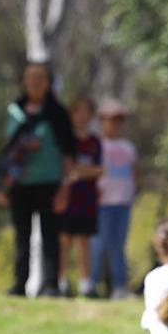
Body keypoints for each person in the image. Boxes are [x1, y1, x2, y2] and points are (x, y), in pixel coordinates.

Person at [0, 62, 75, 297]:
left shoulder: (58, 114)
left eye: (40, 78)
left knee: (51, 236)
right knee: (22, 236)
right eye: (30, 78)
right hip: (19, 185)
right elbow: (6, 150)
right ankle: (20, 283)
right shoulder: (14, 111)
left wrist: (65, 188)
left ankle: (50, 284)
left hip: (50, 183)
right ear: (23, 82)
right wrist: (2, 185)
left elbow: (69, 154)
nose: (35, 83)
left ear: (48, 83)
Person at [90, 99, 138, 300]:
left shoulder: (128, 147)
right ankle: (91, 286)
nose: (114, 124)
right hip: (102, 205)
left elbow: (135, 172)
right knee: (98, 246)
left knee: (118, 247)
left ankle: (119, 287)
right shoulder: (95, 144)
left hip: (123, 204)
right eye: (109, 119)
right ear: (101, 121)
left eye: (118, 120)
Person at [57, 96, 103, 297]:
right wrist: (81, 171)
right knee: (64, 239)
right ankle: (61, 280)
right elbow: (65, 169)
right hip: (67, 196)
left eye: (86, 112)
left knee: (84, 241)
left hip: (87, 197)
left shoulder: (95, 142)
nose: (82, 116)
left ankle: (86, 282)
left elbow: (99, 170)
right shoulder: (66, 140)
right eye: (78, 111)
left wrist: (79, 171)